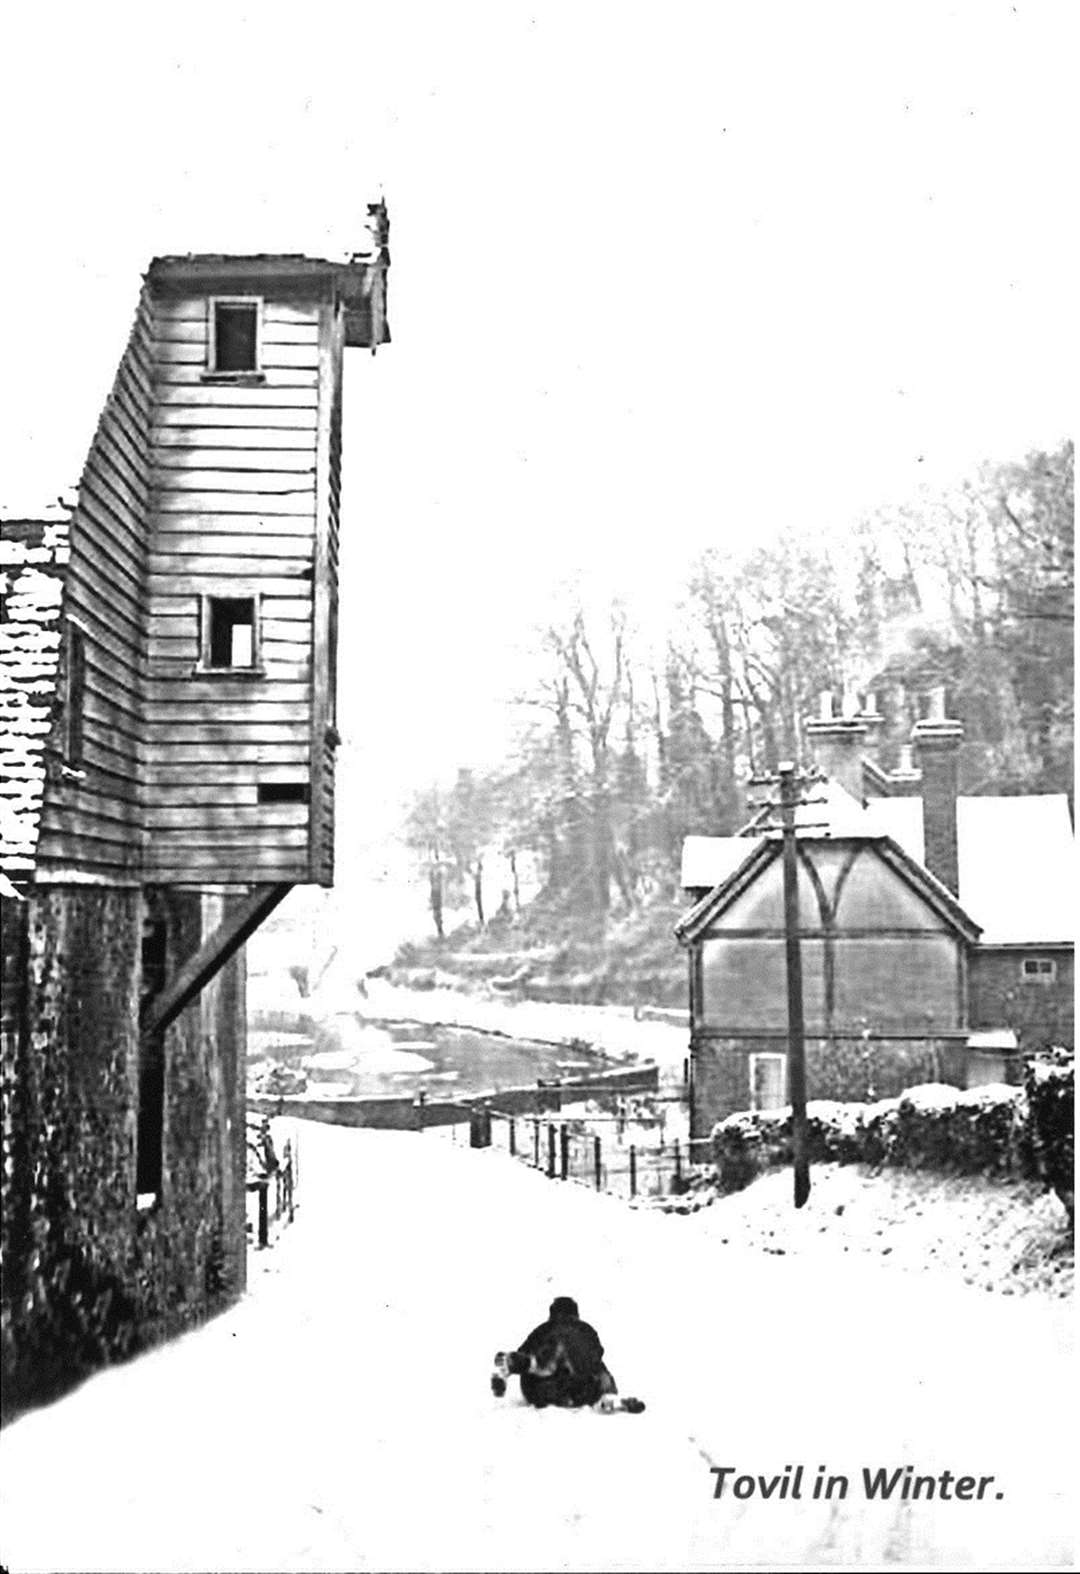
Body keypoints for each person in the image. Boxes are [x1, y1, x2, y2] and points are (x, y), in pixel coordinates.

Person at [492, 1296, 642, 1411]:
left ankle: (525, 1363)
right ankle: (608, 1396)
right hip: (581, 1391)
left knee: (552, 1353)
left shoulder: (543, 1329)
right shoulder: (586, 1330)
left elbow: (523, 1350)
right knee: (598, 1367)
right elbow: (597, 1357)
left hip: (542, 1391)